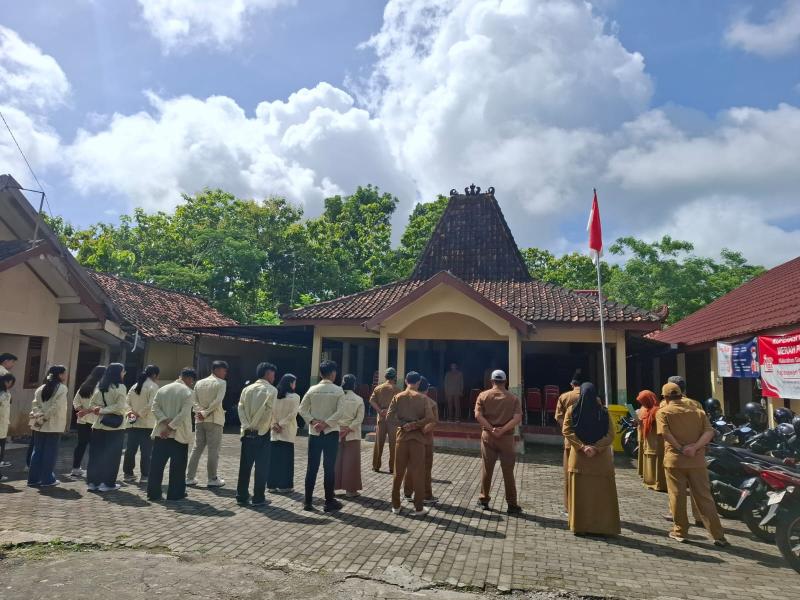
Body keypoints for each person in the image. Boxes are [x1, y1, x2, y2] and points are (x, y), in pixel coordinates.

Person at [657, 382, 729, 546]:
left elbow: (665, 434)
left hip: (675, 460)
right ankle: (718, 535)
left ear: (665, 397)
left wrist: (681, 448)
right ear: (681, 394)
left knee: (677, 496)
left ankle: (680, 531)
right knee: (705, 497)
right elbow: (709, 432)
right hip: (697, 460)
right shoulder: (698, 411)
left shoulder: (663, 412)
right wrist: (695, 447)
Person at [562, 382, 620, 536]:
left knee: (580, 494)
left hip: (579, 459)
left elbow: (566, 430)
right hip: (600, 461)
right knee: (601, 495)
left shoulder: (572, 410)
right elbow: (611, 435)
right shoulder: (604, 412)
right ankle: (602, 527)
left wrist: (582, 447)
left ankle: (580, 526)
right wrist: (596, 448)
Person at [299, 360, 346, 512]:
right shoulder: (338, 390)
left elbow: (302, 409)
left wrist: (313, 422)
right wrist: (326, 424)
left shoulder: (312, 389)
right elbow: (340, 412)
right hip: (331, 433)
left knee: (311, 468)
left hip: (314, 433)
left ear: (320, 373)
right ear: (333, 374)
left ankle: (307, 502)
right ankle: (329, 501)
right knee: (329, 468)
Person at [474, 370, 523, 514]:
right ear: (505, 381)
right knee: (508, 471)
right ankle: (512, 504)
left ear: (491, 381)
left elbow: (478, 415)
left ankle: (484, 500)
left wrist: (491, 429)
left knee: (487, 469)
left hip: (488, 436)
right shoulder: (513, 398)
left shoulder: (483, 395)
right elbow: (517, 418)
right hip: (506, 438)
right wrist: (502, 430)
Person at [388, 371, 434, 516]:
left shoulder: (398, 397)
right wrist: (414, 425)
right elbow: (430, 418)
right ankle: (419, 507)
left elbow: (389, 417)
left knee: (398, 473)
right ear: (418, 383)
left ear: (405, 381)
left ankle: (396, 505)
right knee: (418, 473)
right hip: (417, 439)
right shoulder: (423, 398)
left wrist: (403, 424)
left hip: (401, 438)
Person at [147, 368, 197, 502]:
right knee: (178, 467)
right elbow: (183, 414)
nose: (192, 383)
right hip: (178, 435)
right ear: (189, 379)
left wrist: (164, 420)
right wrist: (170, 427)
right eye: (192, 380)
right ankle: (175, 494)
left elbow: (154, 408)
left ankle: (153, 493)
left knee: (156, 466)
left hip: (160, 433)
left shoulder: (163, 389)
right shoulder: (188, 392)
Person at [236, 362, 277, 506]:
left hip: (246, 432)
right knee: (261, 467)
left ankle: (241, 496)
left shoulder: (246, 389)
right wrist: (260, 428)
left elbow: (240, 408)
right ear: (268, 373)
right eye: (273, 374)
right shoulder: (271, 390)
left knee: (245, 466)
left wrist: (247, 425)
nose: (274, 377)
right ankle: (258, 497)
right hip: (262, 433)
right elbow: (268, 413)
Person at [187, 360, 228, 488]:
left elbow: (193, 400)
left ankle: (189, 477)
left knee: (197, 448)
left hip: (199, 420)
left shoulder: (199, 383)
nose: (225, 373)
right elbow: (217, 401)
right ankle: (212, 478)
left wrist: (199, 412)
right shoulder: (221, 383)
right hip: (214, 419)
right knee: (213, 450)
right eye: (224, 370)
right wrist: (205, 413)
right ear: (216, 370)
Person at [86, 363, 127, 492]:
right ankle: (107, 484)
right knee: (112, 456)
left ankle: (93, 482)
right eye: (123, 371)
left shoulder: (100, 385)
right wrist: (103, 410)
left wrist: (99, 410)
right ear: (118, 373)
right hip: (115, 427)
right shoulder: (120, 387)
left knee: (96, 455)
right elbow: (120, 407)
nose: (124, 373)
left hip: (99, 425)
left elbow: (91, 405)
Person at [27, 365, 68, 487]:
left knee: (37, 451)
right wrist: (45, 417)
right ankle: (47, 479)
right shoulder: (62, 388)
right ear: (60, 375)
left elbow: (34, 405)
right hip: (53, 425)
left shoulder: (40, 388)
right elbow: (56, 406)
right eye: (64, 373)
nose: (66, 376)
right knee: (50, 452)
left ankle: (33, 479)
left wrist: (40, 416)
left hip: (38, 424)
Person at [404, 375, 438, 504]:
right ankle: (426, 495)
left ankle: (408, 493)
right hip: (426, 439)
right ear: (427, 389)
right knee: (426, 468)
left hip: (411, 438)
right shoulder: (431, 403)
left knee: (410, 466)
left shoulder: (408, 401)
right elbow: (433, 422)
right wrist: (422, 431)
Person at [123, 364, 159, 483]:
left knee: (130, 450)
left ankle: (128, 474)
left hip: (132, 423)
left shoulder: (134, 386)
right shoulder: (153, 386)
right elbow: (151, 405)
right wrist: (139, 414)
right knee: (146, 451)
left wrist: (130, 413)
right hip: (146, 424)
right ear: (154, 375)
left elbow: (126, 402)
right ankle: (145, 475)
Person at [555, 371, 582, 512]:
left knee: (568, 474)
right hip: (588, 442)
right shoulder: (593, 398)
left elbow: (559, 417)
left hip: (570, 441)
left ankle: (568, 507)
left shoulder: (564, 397)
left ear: (572, 384)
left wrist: (566, 430)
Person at [268, 373, 301, 493]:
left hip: (274, 432)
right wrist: (281, 424)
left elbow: (269, 412)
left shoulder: (274, 395)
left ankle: (271, 485)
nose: (295, 385)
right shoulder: (295, 397)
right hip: (287, 431)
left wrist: (274, 424)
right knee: (286, 460)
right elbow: (293, 414)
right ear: (291, 383)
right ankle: (284, 486)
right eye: (294, 383)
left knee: (273, 460)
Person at [334, 374, 365, 498]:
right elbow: (359, 418)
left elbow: (332, 414)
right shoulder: (358, 399)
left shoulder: (336, 397)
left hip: (336, 432)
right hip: (352, 434)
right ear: (354, 384)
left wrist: (340, 427)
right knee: (351, 462)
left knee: (335, 461)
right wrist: (348, 429)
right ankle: (351, 491)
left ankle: (332, 488)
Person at [71, 366, 105, 477]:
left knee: (81, 444)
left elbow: (75, 402)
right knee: (95, 446)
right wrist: (86, 411)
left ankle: (75, 468)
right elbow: (99, 406)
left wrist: (82, 411)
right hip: (94, 421)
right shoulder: (101, 387)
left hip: (82, 420)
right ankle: (93, 470)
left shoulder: (84, 386)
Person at [370, 367, 400, 473]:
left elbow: (372, 401)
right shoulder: (397, 389)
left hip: (381, 418)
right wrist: (389, 411)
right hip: (393, 420)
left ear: (385, 376)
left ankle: (376, 465)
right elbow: (399, 405)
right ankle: (392, 467)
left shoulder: (378, 388)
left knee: (379, 443)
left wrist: (380, 411)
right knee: (393, 444)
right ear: (395, 377)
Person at [637, 390, 666, 492]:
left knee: (657, 461)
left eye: (644, 401)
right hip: (649, 440)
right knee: (649, 460)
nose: (643, 404)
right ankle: (650, 481)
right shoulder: (645, 410)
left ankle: (658, 484)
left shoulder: (657, 411)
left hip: (656, 440)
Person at [0, 372, 15, 472]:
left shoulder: (6, 393)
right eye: (11, 382)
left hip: (3, 424)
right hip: (1, 424)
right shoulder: (2, 394)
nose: (11, 385)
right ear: (6, 382)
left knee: (2, 446)